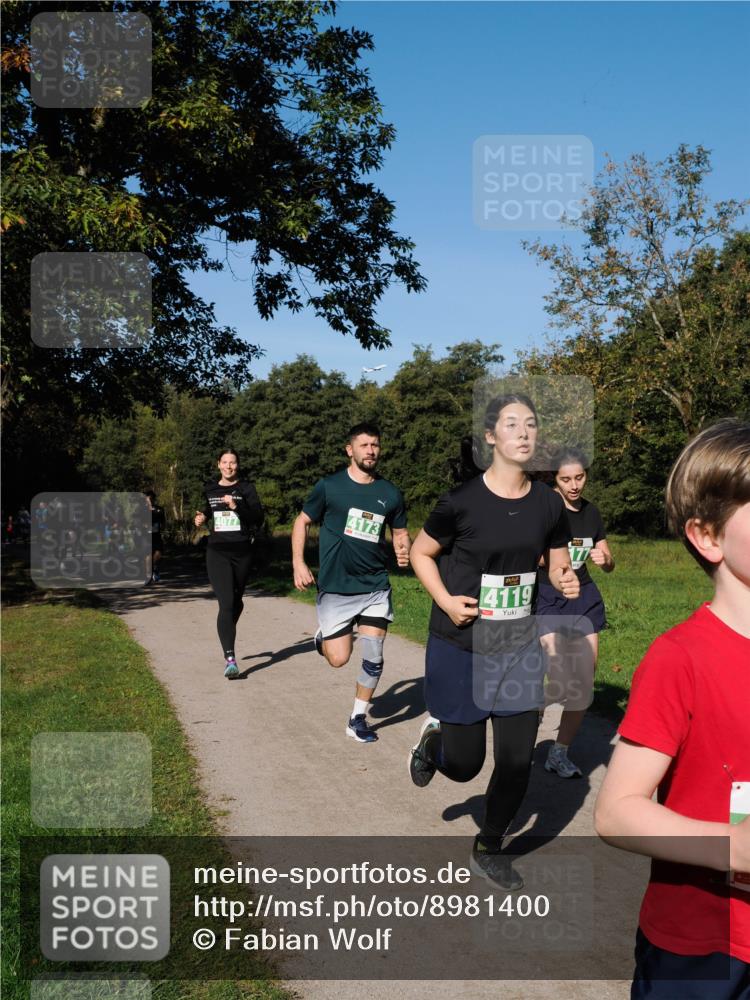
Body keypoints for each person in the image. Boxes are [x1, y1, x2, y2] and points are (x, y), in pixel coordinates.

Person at [595, 418, 750, 999]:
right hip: (704, 946)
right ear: (707, 536)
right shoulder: (679, 658)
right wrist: (731, 846)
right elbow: (616, 813)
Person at [408, 393, 580, 890]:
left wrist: (565, 580)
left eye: (531, 424)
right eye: (512, 425)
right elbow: (422, 554)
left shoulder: (549, 503)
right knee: (465, 767)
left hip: (519, 646)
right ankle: (436, 741)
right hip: (461, 643)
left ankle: (490, 844)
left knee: (515, 761)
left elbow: (558, 562)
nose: (524, 433)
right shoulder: (461, 501)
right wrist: (443, 599)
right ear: (490, 437)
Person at [292, 422, 410, 744]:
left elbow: (399, 531)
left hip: (375, 586)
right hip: (336, 588)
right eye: (364, 445)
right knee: (339, 659)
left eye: (375, 445)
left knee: (374, 654)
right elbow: (302, 521)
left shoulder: (390, 493)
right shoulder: (329, 487)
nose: (370, 450)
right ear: (350, 450)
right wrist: (299, 562)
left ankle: (357, 718)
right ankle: (325, 640)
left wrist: (403, 549)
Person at [536, 447, 615, 778]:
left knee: (582, 684)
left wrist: (605, 560)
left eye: (579, 477)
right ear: (555, 479)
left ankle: (559, 752)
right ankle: (529, 711)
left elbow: (608, 561)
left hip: (584, 598)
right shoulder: (545, 510)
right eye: (566, 479)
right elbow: (530, 556)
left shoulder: (592, 512)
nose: (573, 485)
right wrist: (555, 560)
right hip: (550, 597)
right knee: (562, 678)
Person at [194, 449, 264, 679]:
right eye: (225, 462)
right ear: (218, 465)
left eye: (233, 462)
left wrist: (236, 507)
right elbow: (206, 510)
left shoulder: (246, 489)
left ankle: (226, 628)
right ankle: (230, 659)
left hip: (242, 551)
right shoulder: (210, 488)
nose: (229, 466)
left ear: (238, 465)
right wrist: (201, 518)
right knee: (226, 603)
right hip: (217, 551)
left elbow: (257, 518)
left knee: (237, 603)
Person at [145, 489, 165, 583]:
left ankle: (155, 569)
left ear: (154, 499)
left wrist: (162, 526)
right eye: (148, 499)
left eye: (151, 499)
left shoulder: (159, 509)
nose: (150, 501)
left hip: (156, 535)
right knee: (148, 555)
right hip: (145, 536)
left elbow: (163, 522)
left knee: (158, 555)